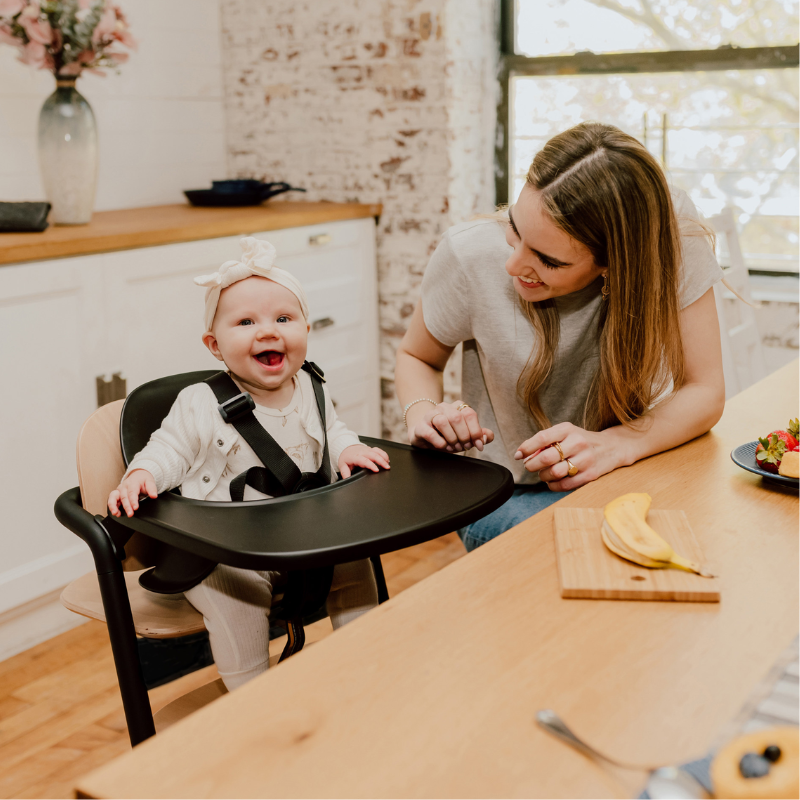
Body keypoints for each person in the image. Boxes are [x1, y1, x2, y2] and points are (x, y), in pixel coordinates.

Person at [395, 122, 726, 553]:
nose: (513, 265)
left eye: (547, 260)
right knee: (595, 555)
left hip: (629, 467)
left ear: (615, 263)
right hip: (511, 492)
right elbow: (416, 356)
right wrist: (424, 417)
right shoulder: (469, 253)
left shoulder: (667, 243)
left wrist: (616, 445)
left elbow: (705, 389)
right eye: (514, 228)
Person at [108, 237, 390, 690]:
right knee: (234, 599)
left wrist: (348, 450)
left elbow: (332, 430)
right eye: (245, 321)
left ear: (306, 328)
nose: (268, 331)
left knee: (355, 560)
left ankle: (367, 660)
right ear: (214, 345)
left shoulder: (311, 386)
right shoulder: (200, 402)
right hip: (226, 548)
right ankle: (252, 691)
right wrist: (143, 474)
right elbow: (170, 449)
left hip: (301, 535)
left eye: (284, 318)